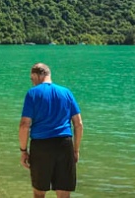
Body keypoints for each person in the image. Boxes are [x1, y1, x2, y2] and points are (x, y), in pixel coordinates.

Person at [19, 63, 84, 198]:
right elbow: (78, 124)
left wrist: (24, 151)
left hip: (41, 146)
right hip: (64, 144)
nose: (32, 83)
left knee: (39, 193)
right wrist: (76, 150)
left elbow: (24, 125)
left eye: (32, 79)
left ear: (38, 75)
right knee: (64, 193)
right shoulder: (66, 92)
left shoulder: (32, 93)